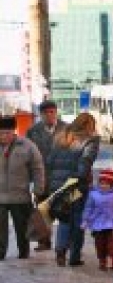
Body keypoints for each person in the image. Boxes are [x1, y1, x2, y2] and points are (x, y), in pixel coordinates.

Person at [45, 112, 100, 267]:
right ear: (90, 125)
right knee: (77, 220)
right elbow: (85, 163)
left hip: (58, 185)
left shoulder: (61, 136)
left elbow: (49, 161)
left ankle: (61, 251)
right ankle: (74, 256)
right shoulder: (90, 140)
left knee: (64, 218)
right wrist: (79, 180)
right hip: (76, 186)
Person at [0, 115, 46, 260]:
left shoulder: (27, 145)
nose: (3, 136)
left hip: (20, 195)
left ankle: (23, 252)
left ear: (14, 131)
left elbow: (38, 168)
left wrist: (38, 189)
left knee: (22, 227)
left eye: (6, 133)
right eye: (0, 133)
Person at [25, 100, 67, 251]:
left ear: (56, 113)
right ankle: (44, 240)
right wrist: (31, 179)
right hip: (41, 177)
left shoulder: (66, 129)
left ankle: (63, 243)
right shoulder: (33, 131)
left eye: (52, 112)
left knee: (63, 209)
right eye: (46, 113)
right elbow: (27, 156)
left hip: (62, 176)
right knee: (42, 210)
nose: (50, 115)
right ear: (41, 115)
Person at [81, 168, 113, 271]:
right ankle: (102, 260)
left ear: (111, 184)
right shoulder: (94, 194)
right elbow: (88, 207)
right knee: (100, 244)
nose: (104, 186)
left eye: (106, 183)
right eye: (102, 183)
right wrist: (85, 220)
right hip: (98, 225)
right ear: (99, 183)